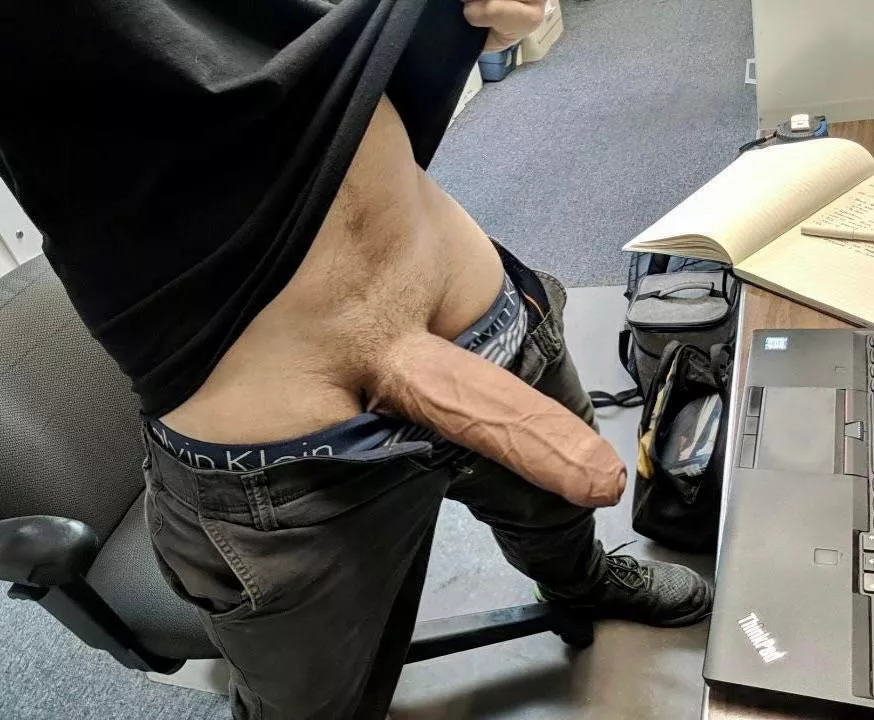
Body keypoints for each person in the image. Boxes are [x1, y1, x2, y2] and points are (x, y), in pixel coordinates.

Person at [0, 1, 712, 718]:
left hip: (489, 327)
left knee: (557, 518)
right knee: (309, 707)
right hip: (283, 473)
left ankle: (581, 583)